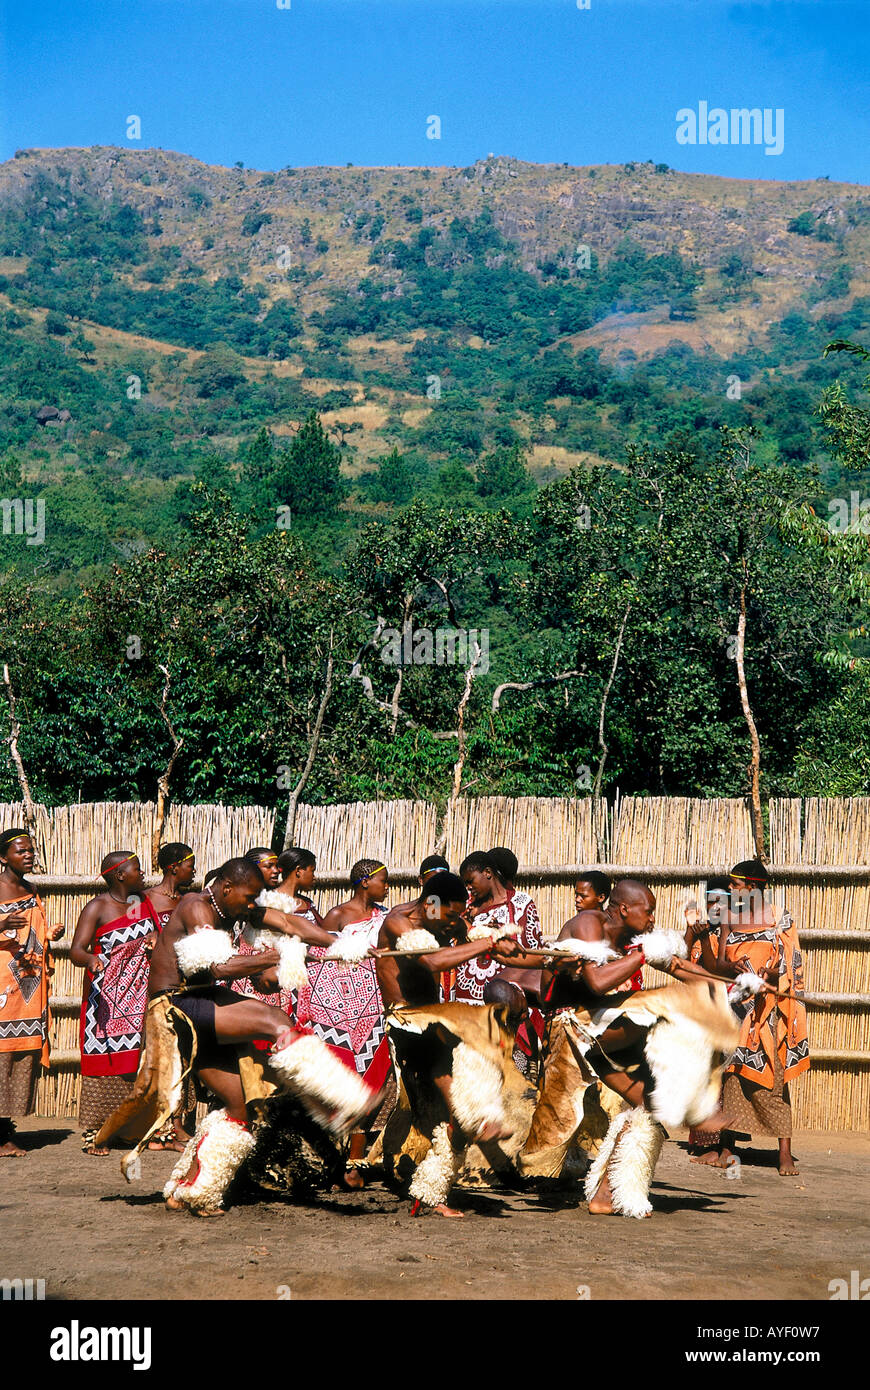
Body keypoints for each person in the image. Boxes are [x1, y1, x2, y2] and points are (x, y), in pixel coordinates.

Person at [95, 858, 379, 1217]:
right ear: (226, 888)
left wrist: (346, 945)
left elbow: (293, 924)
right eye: (248, 898)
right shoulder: (197, 907)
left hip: (200, 1005)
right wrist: (275, 956)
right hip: (176, 1005)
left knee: (237, 1106)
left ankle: (190, 1190)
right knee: (275, 1020)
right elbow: (219, 967)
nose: (251, 905)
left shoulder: (237, 907)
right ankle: (338, 1096)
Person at [519, 879, 742, 1217]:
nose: (653, 919)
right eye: (648, 911)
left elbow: (679, 966)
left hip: (600, 1031)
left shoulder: (631, 937)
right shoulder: (588, 923)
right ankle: (696, 1104)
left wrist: (732, 987)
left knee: (650, 1107)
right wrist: (642, 955)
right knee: (672, 1008)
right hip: (571, 1029)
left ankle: (605, 1195)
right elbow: (595, 981)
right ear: (624, 909)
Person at [375, 871, 529, 1217]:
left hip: (433, 1019)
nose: (454, 922)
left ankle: (431, 1191)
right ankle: (475, 1123)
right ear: (430, 904)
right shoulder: (398, 923)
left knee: (453, 1111)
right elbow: (429, 960)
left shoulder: (444, 922)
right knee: (450, 1091)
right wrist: (486, 944)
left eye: (458, 915)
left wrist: (509, 946)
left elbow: (488, 947)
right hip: (408, 1022)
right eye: (449, 914)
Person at [706, 860, 809, 1178]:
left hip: (767, 1008)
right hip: (736, 1007)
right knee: (731, 1077)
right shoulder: (728, 918)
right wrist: (732, 969)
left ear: (751, 887)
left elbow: (790, 962)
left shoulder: (779, 917)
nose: (731, 890)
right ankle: (727, 1147)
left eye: (735, 885)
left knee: (774, 1079)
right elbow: (720, 962)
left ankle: (785, 1152)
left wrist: (770, 973)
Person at [295, 857, 393, 1188]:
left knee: (371, 1082)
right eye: (383, 880)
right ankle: (336, 1165)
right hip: (338, 1012)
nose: (387, 886)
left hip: (375, 1006)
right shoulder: (337, 916)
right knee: (343, 1082)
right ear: (365, 881)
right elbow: (319, 959)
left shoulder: (386, 917)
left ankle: (356, 1164)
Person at [71, 851, 164, 1154]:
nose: (144, 873)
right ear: (120, 874)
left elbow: (144, 934)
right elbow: (76, 950)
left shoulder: (138, 904)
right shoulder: (98, 906)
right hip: (106, 998)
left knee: (134, 1063)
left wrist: (152, 941)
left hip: (140, 995)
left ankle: (128, 1129)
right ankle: (98, 1134)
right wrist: (91, 959)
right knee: (107, 1064)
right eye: (137, 869)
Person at [0, 829, 64, 1157]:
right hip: (2, 985)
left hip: (27, 986)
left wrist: (48, 932)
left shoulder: (31, 889)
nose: (29, 855)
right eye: (21, 851)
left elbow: (31, 930)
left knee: (19, 1054)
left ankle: (4, 1129)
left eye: (31, 850)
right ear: (2, 857)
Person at [147, 843, 196, 928]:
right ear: (174, 868)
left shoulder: (189, 899)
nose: (194, 870)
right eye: (191, 866)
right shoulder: (146, 898)